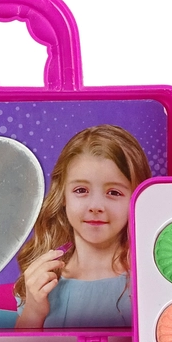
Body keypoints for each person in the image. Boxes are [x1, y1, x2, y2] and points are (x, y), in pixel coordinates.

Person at [14, 125, 151, 328]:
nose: (95, 206)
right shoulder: (44, 278)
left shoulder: (148, 276)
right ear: (62, 195)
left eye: (114, 192)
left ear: (138, 198)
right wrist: (33, 311)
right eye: (81, 190)